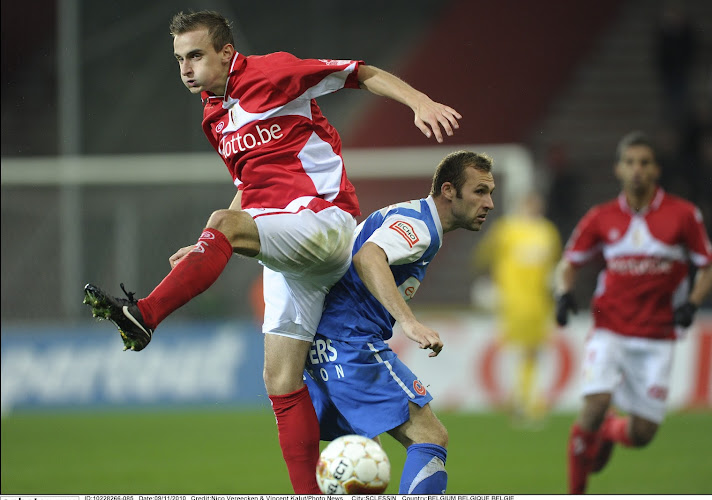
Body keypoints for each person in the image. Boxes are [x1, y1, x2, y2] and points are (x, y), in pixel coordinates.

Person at [82, 10, 462, 494]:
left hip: (323, 220)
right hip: (287, 242)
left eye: (195, 55)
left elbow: (359, 73)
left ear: (226, 52)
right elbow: (250, 186)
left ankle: (146, 315)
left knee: (224, 228)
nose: (186, 68)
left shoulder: (271, 73)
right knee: (280, 380)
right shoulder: (213, 116)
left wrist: (419, 101)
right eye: (179, 59)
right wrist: (208, 241)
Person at [304, 151, 495, 494]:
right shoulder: (419, 226)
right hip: (350, 343)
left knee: (361, 459)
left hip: (324, 344)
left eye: (490, 192)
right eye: (480, 191)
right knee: (430, 437)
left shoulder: (411, 216)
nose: (489, 203)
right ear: (449, 190)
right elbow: (369, 256)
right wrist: (409, 323)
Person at [554, 131, 712, 494]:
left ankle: (610, 431)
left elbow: (707, 266)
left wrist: (692, 302)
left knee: (642, 434)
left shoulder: (684, 215)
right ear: (619, 169)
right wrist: (563, 294)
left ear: (656, 169)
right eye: (630, 163)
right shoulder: (601, 217)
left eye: (644, 163)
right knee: (593, 405)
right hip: (610, 329)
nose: (637, 170)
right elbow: (569, 263)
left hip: (657, 336)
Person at [473, 190, 562, 426]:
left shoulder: (547, 232)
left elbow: (553, 266)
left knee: (533, 352)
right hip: (512, 301)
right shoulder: (507, 230)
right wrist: (491, 283)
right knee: (517, 351)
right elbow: (483, 256)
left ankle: (523, 401)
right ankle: (522, 403)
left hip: (539, 303)